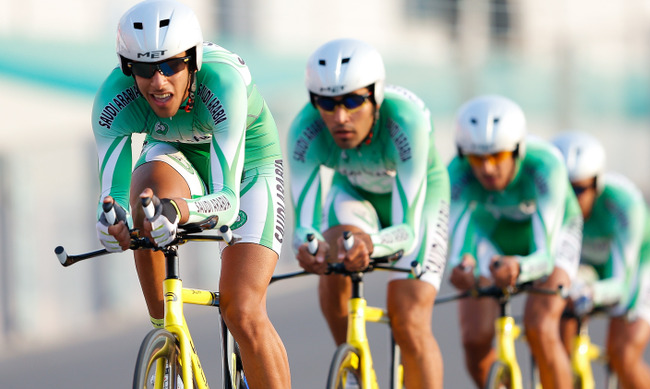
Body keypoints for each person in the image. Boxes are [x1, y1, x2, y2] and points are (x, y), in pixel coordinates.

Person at [92, 0, 290, 387]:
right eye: (144, 69)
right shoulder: (113, 100)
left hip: (248, 167)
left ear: (194, 60)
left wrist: (178, 210)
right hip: (178, 155)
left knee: (242, 309)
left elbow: (228, 201)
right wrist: (113, 223)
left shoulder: (223, 83)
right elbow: (112, 199)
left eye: (171, 65)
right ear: (126, 68)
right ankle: (168, 338)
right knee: (145, 204)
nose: (158, 81)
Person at [288, 38, 450, 389]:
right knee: (332, 262)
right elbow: (306, 226)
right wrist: (310, 246)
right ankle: (358, 373)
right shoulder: (306, 130)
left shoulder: (406, 122)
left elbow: (408, 231)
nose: (340, 117)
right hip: (356, 193)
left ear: (376, 96)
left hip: (417, 203)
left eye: (352, 101)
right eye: (326, 104)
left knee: (408, 318)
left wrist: (369, 243)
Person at [446, 95, 583, 389]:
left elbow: (545, 257)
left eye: (497, 157)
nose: (487, 169)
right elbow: (461, 245)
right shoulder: (455, 174)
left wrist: (520, 267)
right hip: (496, 238)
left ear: (518, 150)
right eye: (476, 158)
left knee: (540, 327)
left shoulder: (545, 165)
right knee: (474, 338)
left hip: (552, 238)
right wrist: (463, 267)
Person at [552, 131, 650, 389]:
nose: (570, 199)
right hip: (590, 264)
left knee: (623, 354)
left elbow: (620, 286)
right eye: (564, 189)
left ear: (597, 184)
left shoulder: (624, 205)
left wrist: (590, 292)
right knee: (559, 334)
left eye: (579, 189)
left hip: (637, 264)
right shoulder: (552, 204)